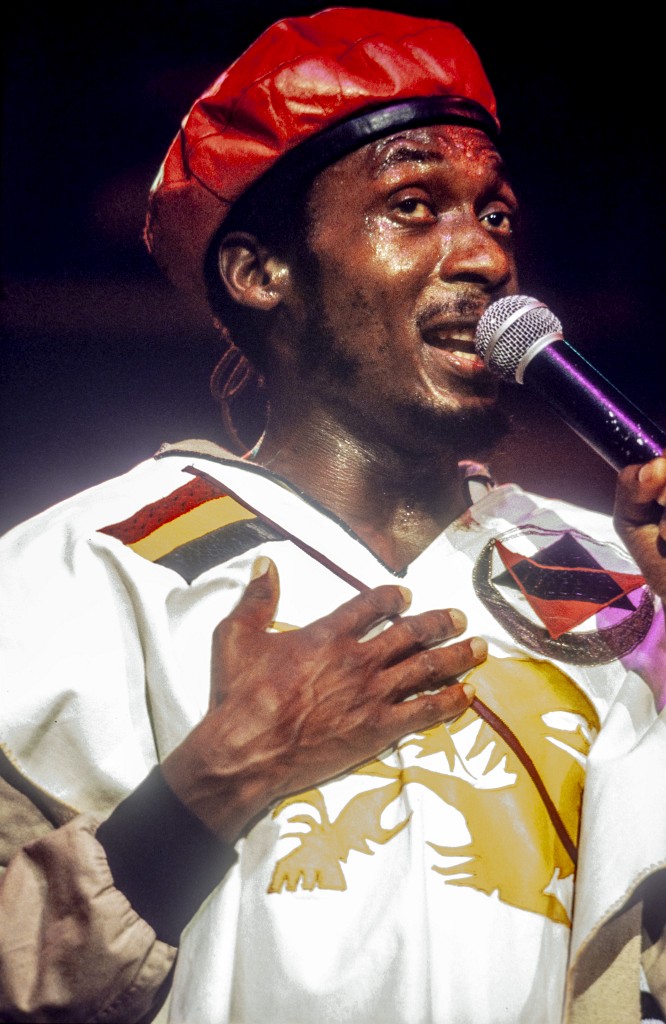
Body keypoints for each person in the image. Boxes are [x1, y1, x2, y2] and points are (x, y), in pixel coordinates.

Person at [1, 7, 665, 1023]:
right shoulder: (83, 568)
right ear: (261, 272)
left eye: (494, 216)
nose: (485, 259)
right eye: (414, 206)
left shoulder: (618, 583)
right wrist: (216, 777)